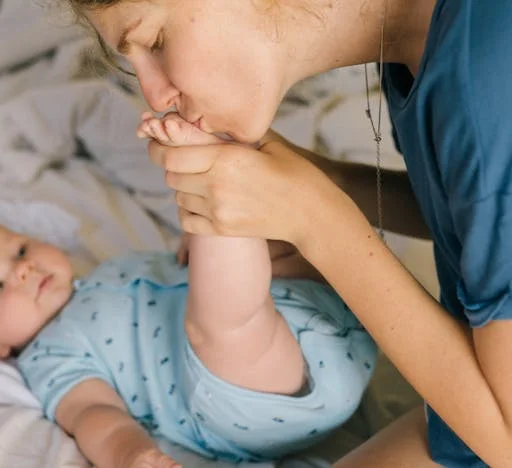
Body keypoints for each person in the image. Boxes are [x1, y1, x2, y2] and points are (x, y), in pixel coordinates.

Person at [62, 0, 512, 466]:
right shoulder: (421, 42)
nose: (155, 96)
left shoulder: (488, 82)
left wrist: (315, 219)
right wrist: (317, 181)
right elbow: (474, 209)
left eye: (155, 41)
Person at [0, 116, 376, 466]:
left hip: (329, 312)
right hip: (257, 392)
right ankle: (215, 191)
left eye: (18, 250)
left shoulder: (103, 273)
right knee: (223, 324)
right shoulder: (48, 357)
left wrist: (195, 253)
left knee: (275, 240)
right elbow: (96, 416)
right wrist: (129, 455)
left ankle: (228, 216)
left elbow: (181, 277)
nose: (21, 271)